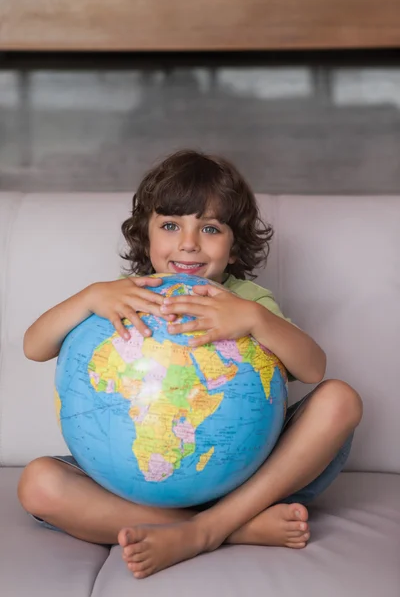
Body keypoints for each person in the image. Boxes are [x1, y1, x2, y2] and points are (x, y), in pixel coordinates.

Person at [18, 150, 363, 579]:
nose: (188, 243)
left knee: (341, 399)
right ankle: (227, 530)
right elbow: (34, 346)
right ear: (145, 236)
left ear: (235, 249)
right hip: (137, 485)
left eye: (211, 228)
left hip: (248, 478)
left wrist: (255, 320)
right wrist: (88, 297)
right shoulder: (124, 295)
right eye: (170, 225)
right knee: (37, 483)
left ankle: (212, 525)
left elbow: (314, 370)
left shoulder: (246, 302)